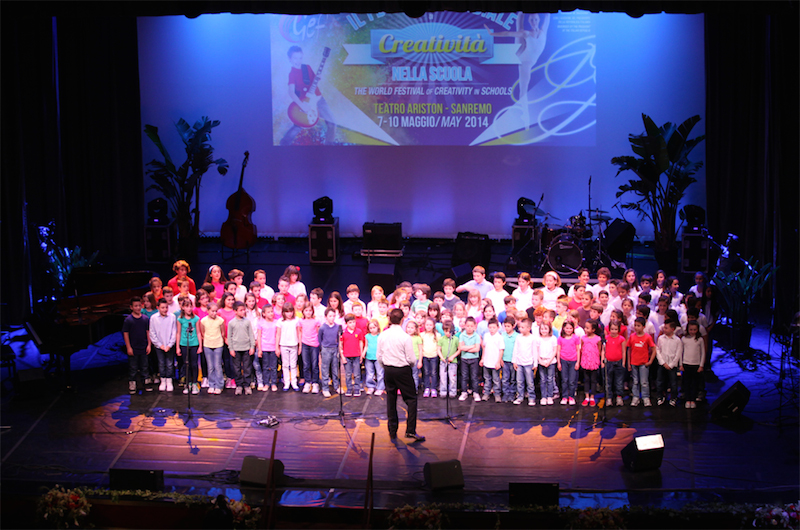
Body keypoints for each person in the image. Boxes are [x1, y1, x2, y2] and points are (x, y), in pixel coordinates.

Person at [485, 12, 550, 128]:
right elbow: (508, 33)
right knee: (523, 90)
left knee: (520, 29)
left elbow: (548, 15)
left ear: (538, 20)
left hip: (528, 57)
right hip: (523, 58)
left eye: (535, 19)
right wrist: (492, 34)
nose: (534, 22)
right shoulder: (527, 33)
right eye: (531, 20)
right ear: (529, 21)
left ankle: (520, 13)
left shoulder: (543, 30)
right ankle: (526, 117)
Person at [377, 308, 425, 442]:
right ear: (402, 320)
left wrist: (385, 366)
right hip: (402, 370)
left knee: (391, 399)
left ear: (389, 319)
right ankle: (410, 431)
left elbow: (379, 356)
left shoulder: (383, 335)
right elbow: (411, 358)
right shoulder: (405, 337)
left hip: (388, 369)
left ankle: (392, 431)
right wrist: (409, 366)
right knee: (411, 399)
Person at [280, 45, 338, 146]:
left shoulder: (307, 67)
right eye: (295, 58)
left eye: (300, 58)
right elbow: (291, 92)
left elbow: (314, 80)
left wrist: (318, 77)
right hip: (305, 103)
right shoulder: (292, 74)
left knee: (332, 123)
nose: (298, 61)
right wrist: (302, 105)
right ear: (289, 59)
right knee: (299, 125)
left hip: (319, 100)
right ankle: (283, 145)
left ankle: (329, 147)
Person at [123, 296, 152, 394]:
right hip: (133, 348)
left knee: (145, 366)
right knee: (133, 367)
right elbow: (126, 334)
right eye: (135, 306)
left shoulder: (145, 319)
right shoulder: (128, 320)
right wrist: (128, 347)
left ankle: (146, 382)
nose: (138, 308)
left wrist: (149, 345)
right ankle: (132, 384)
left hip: (143, 347)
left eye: (139, 305)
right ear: (131, 307)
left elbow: (148, 332)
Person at [227, 301, 255, 395]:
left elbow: (251, 335)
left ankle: (247, 385)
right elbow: (229, 336)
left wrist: (252, 347)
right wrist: (231, 348)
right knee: (237, 368)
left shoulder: (247, 321)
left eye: (244, 310)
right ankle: (239, 385)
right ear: (235, 311)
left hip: (246, 348)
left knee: (247, 367)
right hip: (236, 348)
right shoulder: (231, 323)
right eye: (241, 310)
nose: (243, 312)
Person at [627, 317, 656, 407]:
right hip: (634, 363)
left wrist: (650, 361)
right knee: (635, 381)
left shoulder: (647, 337)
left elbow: (654, 349)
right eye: (635, 325)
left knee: (644, 382)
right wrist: (629, 363)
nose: (636, 327)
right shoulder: (632, 336)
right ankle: (635, 397)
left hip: (643, 363)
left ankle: (645, 397)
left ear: (644, 327)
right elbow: (629, 350)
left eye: (638, 326)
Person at [200, 302, 226, 394]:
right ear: (208, 311)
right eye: (212, 311)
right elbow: (202, 332)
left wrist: (219, 339)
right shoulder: (203, 321)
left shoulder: (220, 320)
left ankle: (219, 385)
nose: (214, 313)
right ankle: (211, 384)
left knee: (217, 366)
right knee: (210, 366)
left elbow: (223, 332)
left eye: (216, 311)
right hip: (208, 345)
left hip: (218, 345)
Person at [176, 298, 201, 395]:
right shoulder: (180, 319)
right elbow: (178, 333)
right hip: (184, 344)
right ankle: (188, 383)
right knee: (186, 364)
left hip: (194, 344)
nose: (189, 308)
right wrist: (177, 347)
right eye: (187, 306)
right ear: (182, 307)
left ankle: (194, 383)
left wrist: (200, 346)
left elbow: (198, 332)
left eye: (190, 306)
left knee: (194, 364)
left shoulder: (196, 319)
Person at [656, 321, 683, 407]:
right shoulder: (661, 338)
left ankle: (673, 398)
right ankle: (661, 397)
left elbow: (678, 354)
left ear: (672, 329)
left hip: (672, 366)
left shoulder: (677, 340)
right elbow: (658, 350)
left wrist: (671, 364)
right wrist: (663, 362)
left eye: (666, 328)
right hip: (662, 364)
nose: (664, 329)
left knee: (673, 383)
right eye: (664, 327)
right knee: (660, 382)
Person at [512, 318, 538, 406]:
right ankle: (520, 396)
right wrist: (514, 361)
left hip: (529, 363)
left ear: (528, 328)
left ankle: (531, 397)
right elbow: (515, 349)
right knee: (519, 381)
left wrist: (535, 363)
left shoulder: (532, 338)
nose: (520, 329)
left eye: (523, 327)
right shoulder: (518, 337)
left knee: (530, 382)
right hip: (519, 363)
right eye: (520, 327)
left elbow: (534, 351)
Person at [276, 302, 300, 391]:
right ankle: (286, 382)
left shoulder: (296, 320)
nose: (289, 314)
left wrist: (300, 346)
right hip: (284, 345)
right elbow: (278, 334)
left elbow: (299, 333)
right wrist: (277, 347)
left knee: (293, 365)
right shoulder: (280, 321)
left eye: (290, 311)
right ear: (283, 312)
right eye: (287, 312)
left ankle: (294, 382)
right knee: (285, 365)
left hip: (294, 345)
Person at [681, 321, 705, 409]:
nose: (692, 331)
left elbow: (703, 353)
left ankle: (693, 400)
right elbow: (681, 352)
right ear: (687, 329)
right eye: (691, 329)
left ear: (697, 330)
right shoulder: (684, 339)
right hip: (686, 364)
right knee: (687, 383)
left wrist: (701, 365)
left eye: (694, 330)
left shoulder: (700, 339)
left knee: (695, 383)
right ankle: (688, 400)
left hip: (696, 364)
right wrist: (681, 364)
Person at [318, 308, 342, 397]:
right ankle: (325, 388)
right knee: (325, 369)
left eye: (333, 316)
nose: (332, 318)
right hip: (326, 349)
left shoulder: (337, 327)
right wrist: (322, 349)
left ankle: (336, 386)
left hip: (335, 349)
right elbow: (320, 339)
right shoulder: (322, 327)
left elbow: (339, 338)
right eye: (330, 316)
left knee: (335, 369)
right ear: (326, 317)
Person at [458, 317, 482, 402]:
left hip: (474, 359)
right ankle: (464, 392)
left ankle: (475, 392)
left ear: (474, 326)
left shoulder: (476, 336)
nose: (469, 328)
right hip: (464, 359)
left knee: (474, 377)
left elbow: (477, 349)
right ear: (465, 326)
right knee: (464, 376)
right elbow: (461, 348)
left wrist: (466, 348)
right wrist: (472, 346)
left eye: (471, 326)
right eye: (468, 326)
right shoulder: (462, 335)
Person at [480, 318, 504, 402]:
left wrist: (498, 362)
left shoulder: (499, 337)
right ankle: (486, 393)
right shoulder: (486, 335)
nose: (492, 329)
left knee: (496, 379)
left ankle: (497, 394)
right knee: (487, 379)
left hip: (495, 362)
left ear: (498, 328)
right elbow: (484, 347)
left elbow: (501, 350)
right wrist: (482, 358)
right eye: (490, 327)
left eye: (494, 327)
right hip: (487, 361)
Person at [557, 320, 581, 405]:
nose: (568, 330)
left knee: (572, 380)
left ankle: (571, 396)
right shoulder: (560, 338)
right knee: (564, 380)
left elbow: (578, 350)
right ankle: (564, 396)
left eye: (570, 328)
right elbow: (558, 351)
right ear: (563, 328)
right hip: (563, 360)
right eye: (567, 328)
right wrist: (559, 362)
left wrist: (578, 362)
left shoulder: (576, 338)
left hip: (573, 361)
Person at [299, 303, 321, 394]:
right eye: (306, 310)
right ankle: (307, 382)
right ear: (303, 311)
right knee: (306, 364)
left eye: (310, 310)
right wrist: (300, 345)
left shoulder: (316, 321)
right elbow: (300, 332)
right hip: (305, 344)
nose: (308, 312)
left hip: (314, 345)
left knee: (314, 364)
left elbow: (318, 333)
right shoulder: (301, 321)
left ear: (312, 311)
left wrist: (319, 344)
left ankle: (315, 383)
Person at [340, 313, 364, 396]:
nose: (352, 324)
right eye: (350, 322)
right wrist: (342, 357)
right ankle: (349, 388)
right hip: (347, 356)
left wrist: (361, 354)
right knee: (348, 374)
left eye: (354, 322)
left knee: (357, 374)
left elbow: (360, 342)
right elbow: (340, 345)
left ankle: (357, 388)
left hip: (356, 355)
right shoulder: (343, 333)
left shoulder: (359, 331)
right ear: (346, 323)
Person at [603, 322, 626, 407]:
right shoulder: (606, 338)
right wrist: (602, 361)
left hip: (618, 362)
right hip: (608, 363)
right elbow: (603, 350)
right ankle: (609, 398)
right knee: (608, 381)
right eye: (612, 329)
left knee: (619, 381)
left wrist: (623, 362)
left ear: (618, 330)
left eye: (615, 329)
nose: (613, 331)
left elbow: (623, 351)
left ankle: (619, 397)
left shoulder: (621, 339)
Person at [580, 321, 602, 406]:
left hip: (594, 362)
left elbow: (599, 350)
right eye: (585, 327)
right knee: (586, 380)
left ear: (593, 329)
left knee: (593, 380)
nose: (585, 329)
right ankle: (586, 397)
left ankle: (592, 397)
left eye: (587, 328)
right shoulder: (583, 338)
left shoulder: (597, 339)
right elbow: (582, 348)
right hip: (586, 362)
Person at [536, 323, 558, 405]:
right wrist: (540, 360)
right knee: (542, 379)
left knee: (550, 379)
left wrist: (549, 361)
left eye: (545, 329)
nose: (543, 331)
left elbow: (555, 350)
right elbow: (536, 351)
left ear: (549, 329)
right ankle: (543, 397)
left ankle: (550, 396)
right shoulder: (538, 339)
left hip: (550, 362)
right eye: (542, 329)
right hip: (541, 361)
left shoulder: (553, 338)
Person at [437, 320, 460, 399]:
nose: (447, 333)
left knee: (452, 378)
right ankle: (443, 391)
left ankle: (452, 392)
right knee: (443, 377)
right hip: (443, 362)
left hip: (453, 362)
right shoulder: (441, 339)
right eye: (445, 331)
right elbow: (438, 349)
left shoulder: (455, 339)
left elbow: (459, 349)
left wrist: (453, 356)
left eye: (449, 331)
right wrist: (442, 358)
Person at [363, 320, 384, 396]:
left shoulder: (380, 336)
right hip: (369, 357)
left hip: (378, 357)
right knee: (369, 373)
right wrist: (363, 353)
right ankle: (370, 386)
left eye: (374, 327)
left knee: (380, 373)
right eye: (370, 328)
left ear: (377, 327)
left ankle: (380, 388)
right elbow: (366, 346)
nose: (372, 329)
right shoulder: (367, 336)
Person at [419, 318, 440, 398]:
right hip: (425, 356)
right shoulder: (422, 335)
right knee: (426, 372)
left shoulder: (437, 335)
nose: (428, 326)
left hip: (434, 356)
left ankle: (433, 388)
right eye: (427, 325)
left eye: (430, 325)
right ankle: (427, 387)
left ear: (434, 326)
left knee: (434, 372)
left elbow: (439, 346)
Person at [500, 316, 518, 402]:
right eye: (505, 326)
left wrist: (516, 360)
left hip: (513, 361)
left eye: (508, 326)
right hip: (504, 360)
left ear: (513, 326)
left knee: (513, 379)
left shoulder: (517, 336)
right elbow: (500, 348)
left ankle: (512, 393)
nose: (506, 328)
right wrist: (500, 359)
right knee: (505, 378)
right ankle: (506, 393)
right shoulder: (502, 335)